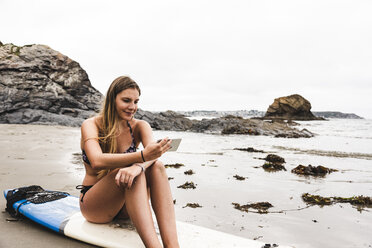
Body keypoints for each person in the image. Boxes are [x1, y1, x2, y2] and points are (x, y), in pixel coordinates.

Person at [78, 76, 180, 248]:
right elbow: (96, 161)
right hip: (96, 206)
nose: (132, 107)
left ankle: (173, 246)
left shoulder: (140, 126)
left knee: (155, 167)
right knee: (133, 172)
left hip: (127, 207)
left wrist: (138, 166)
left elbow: (153, 156)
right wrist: (140, 158)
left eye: (136, 101)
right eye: (126, 100)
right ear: (112, 99)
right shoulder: (91, 124)